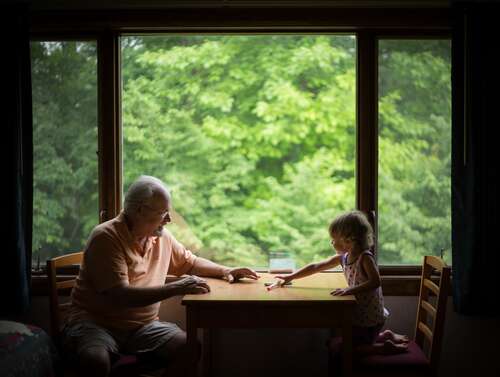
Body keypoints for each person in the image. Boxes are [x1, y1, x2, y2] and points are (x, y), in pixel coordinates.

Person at [61, 175, 259, 377]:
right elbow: (120, 295)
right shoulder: (106, 237)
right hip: (96, 324)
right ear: (140, 211)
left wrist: (225, 270)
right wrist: (176, 288)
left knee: (188, 348)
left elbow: (190, 263)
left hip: (142, 328)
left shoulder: (160, 236)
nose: (169, 219)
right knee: (96, 361)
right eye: (164, 212)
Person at [273, 210, 408, 356]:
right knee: (358, 340)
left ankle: (385, 349)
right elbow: (316, 266)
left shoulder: (365, 258)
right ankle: (386, 336)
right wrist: (290, 277)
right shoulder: (344, 257)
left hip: (369, 316)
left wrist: (350, 290)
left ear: (348, 240)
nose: (331, 242)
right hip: (360, 313)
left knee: (350, 349)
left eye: (333, 239)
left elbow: (375, 282)